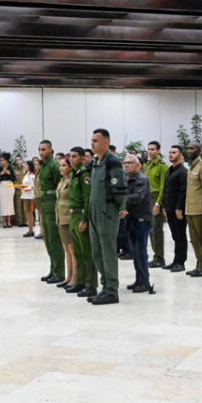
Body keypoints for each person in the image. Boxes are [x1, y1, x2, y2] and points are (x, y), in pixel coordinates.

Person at [88, 129, 126, 305]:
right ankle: (104, 287)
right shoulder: (96, 162)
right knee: (97, 252)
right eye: (92, 140)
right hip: (94, 213)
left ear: (106, 142)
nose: (92, 143)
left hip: (107, 213)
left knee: (108, 252)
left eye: (96, 140)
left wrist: (121, 207)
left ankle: (112, 290)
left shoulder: (113, 163)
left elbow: (119, 188)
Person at [67, 147, 97, 298]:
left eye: (74, 156)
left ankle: (90, 285)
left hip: (81, 214)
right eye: (70, 156)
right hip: (73, 214)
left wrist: (85, 218)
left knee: (87, 252)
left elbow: (88, 198)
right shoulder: (73, 174)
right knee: (77, 252)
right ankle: (80, 281)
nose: (71, 159)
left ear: (82, 158)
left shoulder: (85, 174)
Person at [123, 155, 154, 293]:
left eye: (130, 163)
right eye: (125, 163)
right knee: (135, 252)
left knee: (141, 252)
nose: (127, 165)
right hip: (131, 218)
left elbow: (137, 197)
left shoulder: (142, 179)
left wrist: (120, 200)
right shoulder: (125, 178)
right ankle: (139, 279)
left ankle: (145, 282)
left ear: (138, 165)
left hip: (142, 219)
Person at [37, 140, 65, 284]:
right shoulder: (43, 165)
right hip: (45, 203)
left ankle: (60, 272)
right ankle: (53, 269)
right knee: (47, 239)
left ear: (51, 150)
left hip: (53, 202)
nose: (41, 152)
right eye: (39, 149)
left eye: (43, 149)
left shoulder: (54, 165)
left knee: (54, 240)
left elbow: (60, 184)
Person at [184, 142, 202, 277]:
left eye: (192, 148)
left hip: (200, 209)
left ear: (199, 150)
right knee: (194, 240)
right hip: (190, 209)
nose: (189, 151)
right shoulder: (191, 167)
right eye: (188, 148)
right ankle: (199, 264)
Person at [162, 145, 188, 272]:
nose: (171, 154)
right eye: (170, 152)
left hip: (178, 210)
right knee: (175, 236)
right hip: (170, 208)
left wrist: (179, 208)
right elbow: (166, 189)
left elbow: (183, 191)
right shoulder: (169, 170)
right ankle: (175, 260)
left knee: (180, 235)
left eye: (174, 152)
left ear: (180, 154)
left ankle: (181, 262)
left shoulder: (182, 171)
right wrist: (164, 206)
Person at [144, 141, 168, 268]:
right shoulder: (147, 165)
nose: (150, 151)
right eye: (149, 149)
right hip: (147, 199)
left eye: (153, 149)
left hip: (156, 198)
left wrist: (158, 203)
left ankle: (160, 257)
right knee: (150, 230)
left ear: (158, 150)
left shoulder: (162, 166)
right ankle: (155, 256)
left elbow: (163, 186)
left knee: (157, 230)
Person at [55, 156, 76, 289]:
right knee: (66, 249)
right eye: (60, 165)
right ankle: (68, 276)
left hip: (69, 217)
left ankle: (75, 278)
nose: (61, 168)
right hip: (61, 217)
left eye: (64, 165)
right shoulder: (63, 180)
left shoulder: (73, 180)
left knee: (72, 249)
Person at [0, 152, 16, 228]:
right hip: (2, 186)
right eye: (1, 160)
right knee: (3, 204)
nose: (2, 162)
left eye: (3, 160)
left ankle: (9, 221)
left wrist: (8, 173)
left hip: (10, 186)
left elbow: (13, 178)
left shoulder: (10, 168)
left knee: (9, 204)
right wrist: (1, 173)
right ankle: (4, 221)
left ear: (6, 161)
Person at [20, 160, 36, 238]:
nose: (25, 166)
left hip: (30, 196)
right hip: (25, 195)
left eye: (26, 165)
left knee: (29, 213)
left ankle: (31, 230)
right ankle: (30, 229)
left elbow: (33, 186)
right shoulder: (27, 174)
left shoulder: (32, 175)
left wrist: (25, 188)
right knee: (27, 212)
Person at [32, 156, 44, 240]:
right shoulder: (37, 174)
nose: (36, 166)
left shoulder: (42, 173)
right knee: (40, 215)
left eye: (38, 164)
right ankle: (42, 231)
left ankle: (44, 232)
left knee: (42, 215)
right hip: (37, 195)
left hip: (42, 195)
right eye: (35, 165)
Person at [13, 156, 27, 227]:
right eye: (16, 160)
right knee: (18, 206)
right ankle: (20, 222)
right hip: (18, 190)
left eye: (19, 160)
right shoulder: (14, 170)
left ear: (21, 160)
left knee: (25, 206)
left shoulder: (25, 169)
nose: (18, 161)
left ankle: (25, 221)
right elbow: (13, 180)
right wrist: (16, 186)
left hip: (25, 190)